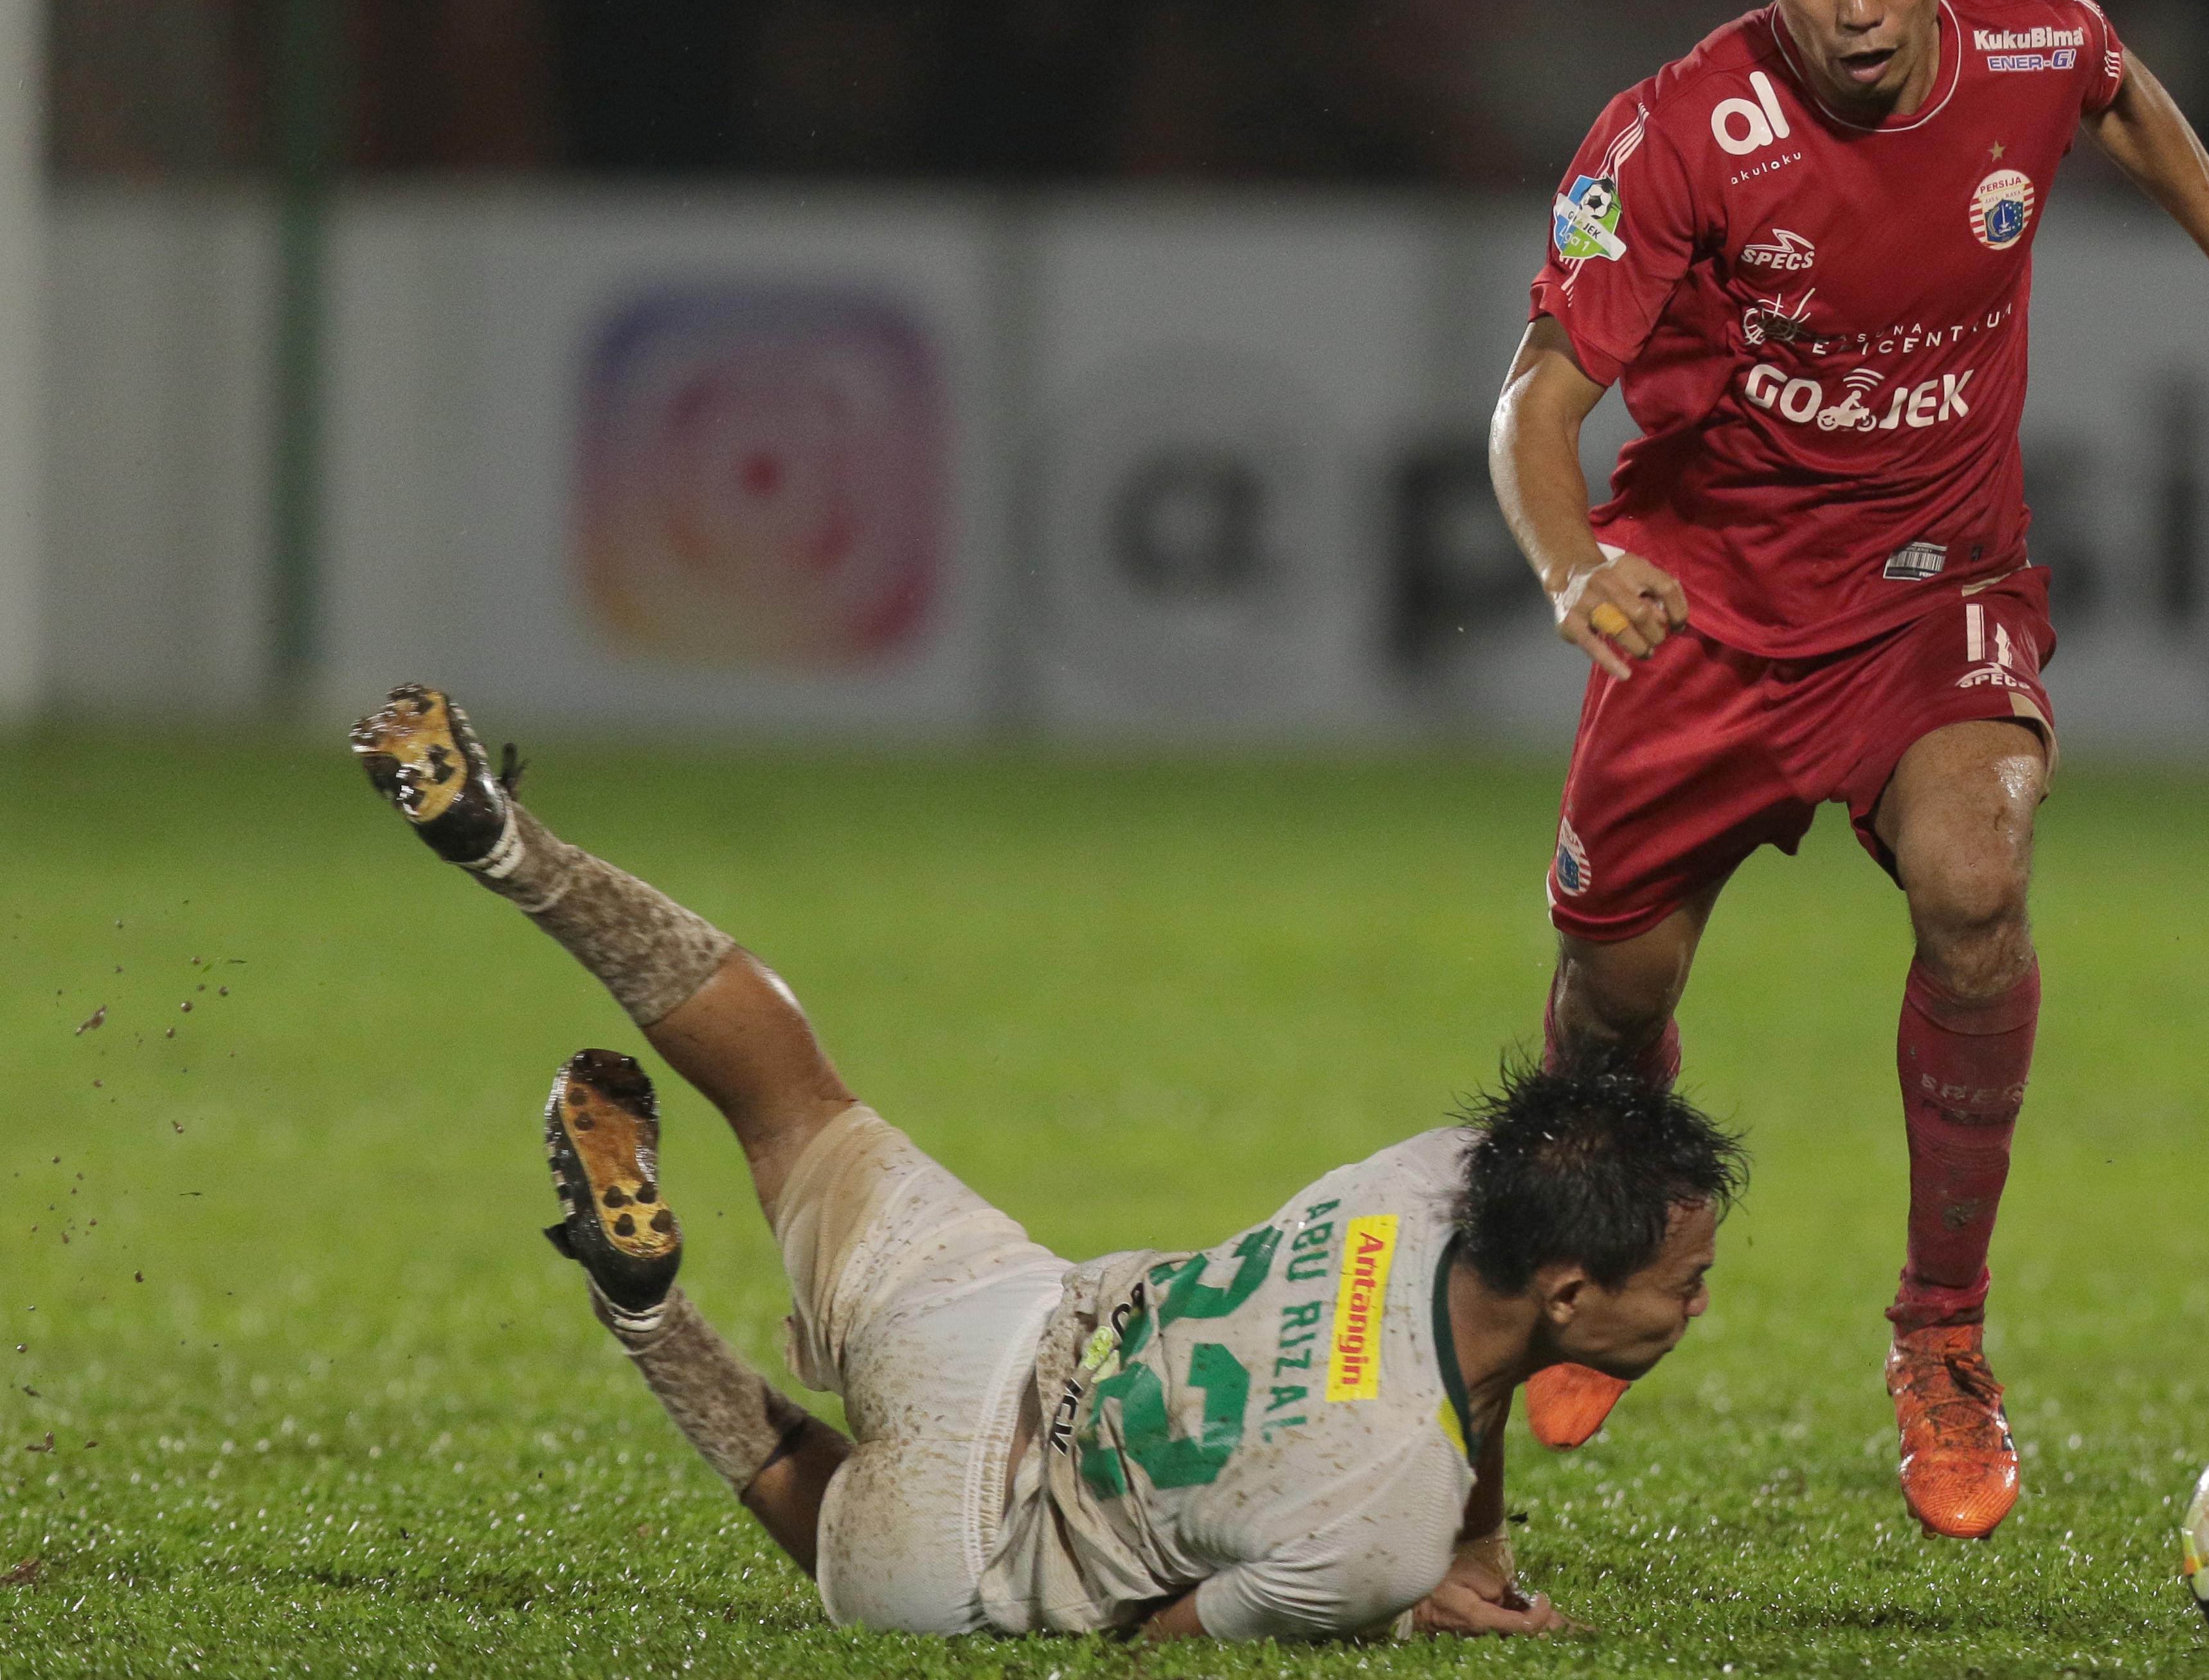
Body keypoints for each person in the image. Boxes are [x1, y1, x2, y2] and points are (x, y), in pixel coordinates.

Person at [1486, 0, 2209, 1539]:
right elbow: (1533, 408)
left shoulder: (2032, 41)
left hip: (1933, 591)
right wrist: (1574, 575)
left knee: (1974, 875)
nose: (1857, 3)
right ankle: (1593, 1262)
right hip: (1705, 616)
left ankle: (1939, 1340)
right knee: (1617, 999)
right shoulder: (1671, 138)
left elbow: (2121, 89)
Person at [347, 684, 1742, 1639]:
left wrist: (1463, 1540)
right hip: (964, 1552)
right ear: (1565, 1293)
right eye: (1681, 1284)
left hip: (1000, 1322)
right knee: (810, 1485)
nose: (1692, 1309)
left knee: (788, 1101)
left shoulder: (1442, 1177)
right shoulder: (1382, 1525)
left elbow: (1474, 1363)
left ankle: (516, 850)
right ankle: (641, 1305)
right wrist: (1394, 1577)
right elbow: (1159, 1640)